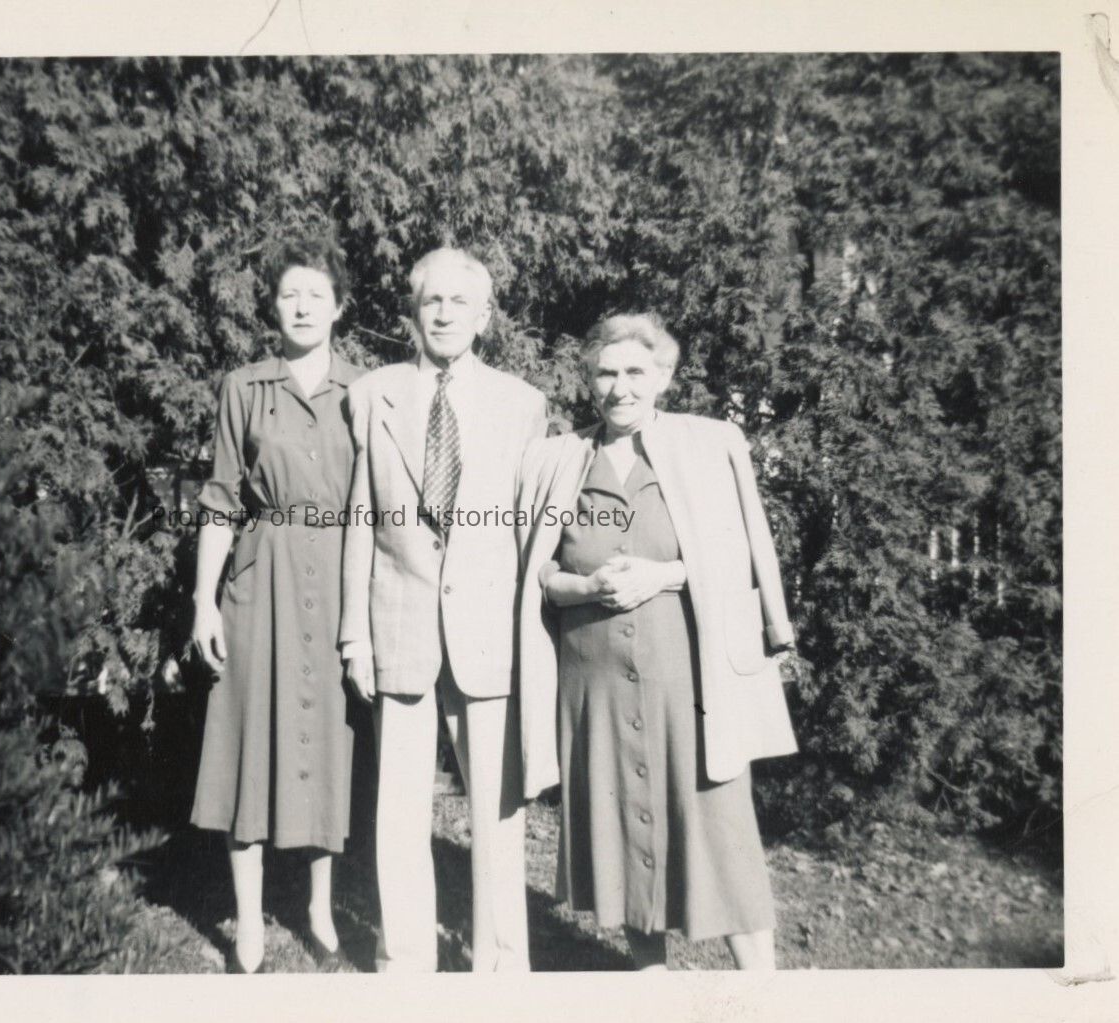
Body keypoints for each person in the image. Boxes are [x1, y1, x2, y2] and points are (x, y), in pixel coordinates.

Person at [515, 312, 798, 970]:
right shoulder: (556, 459)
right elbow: (538, 572)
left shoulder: (709, 445)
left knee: (719, 830)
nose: (620, 387)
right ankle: (651, 987)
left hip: (688, 680)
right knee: (618, 839)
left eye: (635, 372)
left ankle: (763, 994)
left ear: (665, 376)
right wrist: (585, 587)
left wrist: (663, 574)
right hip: (593, 683)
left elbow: (739, 556)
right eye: (605, 373)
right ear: (589, 380)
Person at [340, 247, 547, 973]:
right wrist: (354, 634)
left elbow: (530, 532)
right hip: (398, 625)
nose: (445, 313)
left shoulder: (522, 405)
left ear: (484, 317)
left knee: (497, 811)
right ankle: (406, 965)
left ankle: (500, 966)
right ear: (413, 312)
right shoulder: (372, 395)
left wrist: (531, 638)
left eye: (461, 302)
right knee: (399, 812)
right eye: (432, 300)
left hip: (487, 633)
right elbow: (360, 518)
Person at [190, 232, 364, 974]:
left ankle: (321, 910)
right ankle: (250, 921)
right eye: (289, 293)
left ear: (339, 306)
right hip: (260, 581)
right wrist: (203, 602)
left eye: (316, 294)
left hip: (339, 580)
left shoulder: (366, 391)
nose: (302, 306)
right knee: (248, 734)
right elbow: (220, 500)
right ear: (273, 305)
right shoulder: (244, 386)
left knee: (330, 739)